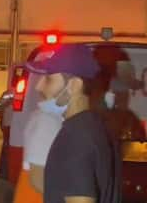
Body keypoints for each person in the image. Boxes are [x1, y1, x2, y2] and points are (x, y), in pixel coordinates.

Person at [34, 45, 121, 203]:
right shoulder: (99, 128)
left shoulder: (74, 138)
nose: (38, 86)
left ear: (74, 85)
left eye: (48, 79)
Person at [13, 72, 63, 203]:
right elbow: (38, 179)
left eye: (47, 79)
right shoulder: (47, 120)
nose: (38, 86)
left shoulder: (50, 118)